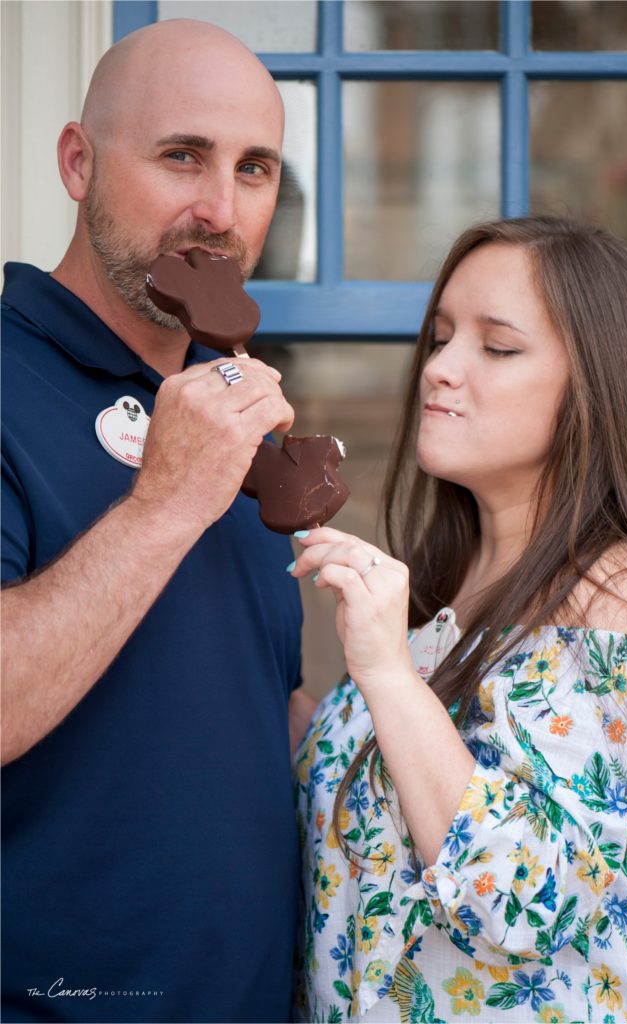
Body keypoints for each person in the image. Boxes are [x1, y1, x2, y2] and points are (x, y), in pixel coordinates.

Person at [289, 217, 627, 1022]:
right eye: (439, 338)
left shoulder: (620, 598)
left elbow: (519, 899)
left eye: (496, 348)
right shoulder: (454, 591)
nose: (439, 369)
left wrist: (388, 676)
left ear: (602, 387)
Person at [2, 19, 308, 1023]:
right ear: (78, 162)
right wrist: (166, 504)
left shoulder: (242, 417)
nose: (219, 210)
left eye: (255, 168)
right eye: (183, 155)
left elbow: (244, 716)